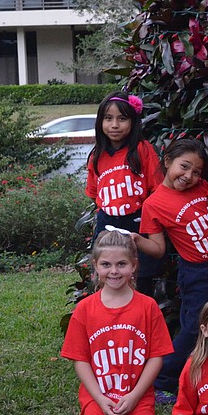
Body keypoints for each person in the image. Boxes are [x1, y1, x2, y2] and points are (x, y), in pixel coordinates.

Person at [60, 230, 173, 415]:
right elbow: (80, 360)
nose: (114, 271)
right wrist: (100, 399)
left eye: (122, 264)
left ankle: (136, 413)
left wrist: (134, 396)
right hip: (99, 398)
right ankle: (97, 412)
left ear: (134, 266)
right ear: (96, 266)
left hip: (136, 398)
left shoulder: (148, 307)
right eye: (106, 264)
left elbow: (156, 357)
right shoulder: (84, 309)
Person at [132, 138, 208, 405]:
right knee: (195, 329)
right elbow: (159, 249)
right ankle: (160, 379)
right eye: (184, 167)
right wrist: (138, 241)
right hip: (197, 272)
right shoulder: (154, 204)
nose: (189, 176)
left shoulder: (203, 188)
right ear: (167, 161)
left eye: (196, 172)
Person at [85, 92, 164, 294]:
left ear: (133, 121)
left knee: (140, 279)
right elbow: (95, 194)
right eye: (108, 118)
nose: (114, 125)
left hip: (138, 223)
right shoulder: (97, 155)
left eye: (122, 119)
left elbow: (157, 189)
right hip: (107, 224)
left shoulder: (142, 150)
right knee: (108, 278)